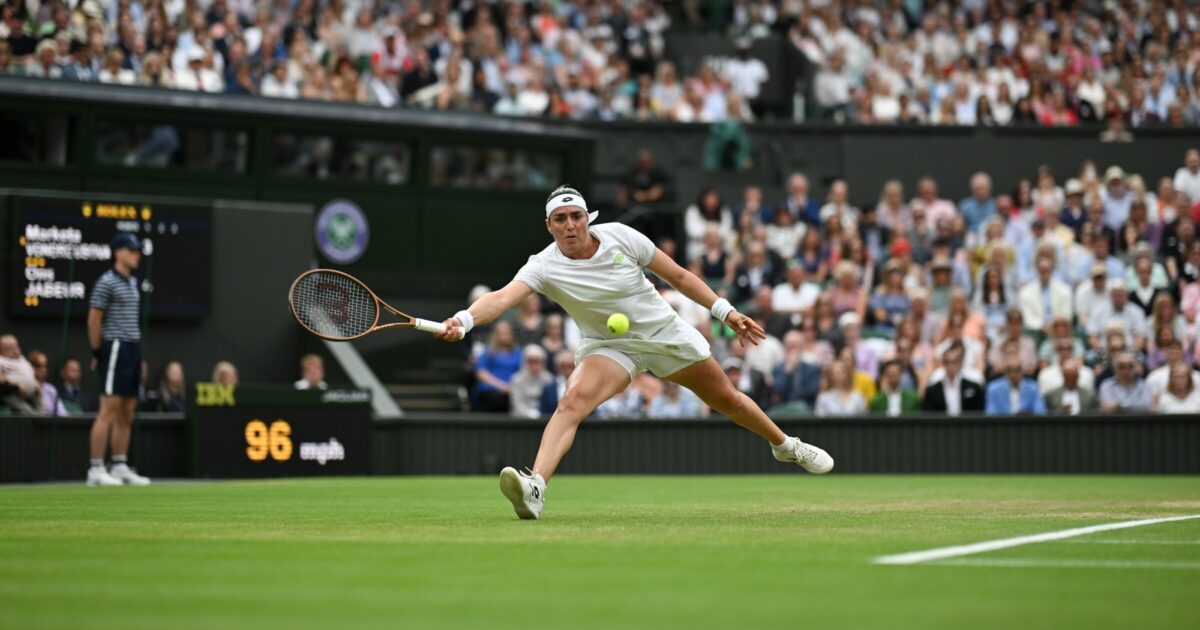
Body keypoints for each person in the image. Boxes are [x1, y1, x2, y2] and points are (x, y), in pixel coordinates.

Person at [435, 186, 834, 519]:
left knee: (727, 400)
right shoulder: (543, 265)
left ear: (587, 218)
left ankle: (785, 446)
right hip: (608, 347)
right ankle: (536, 486)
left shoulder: (623, 237)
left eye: (575, 215)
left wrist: (724, 310)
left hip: (664, 334)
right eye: (560, 219)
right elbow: (503, 298)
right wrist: (465, 320)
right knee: (572, 401)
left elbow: (677, 275)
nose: (570, 225)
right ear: (549, 226)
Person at [86, 233, 151, 486]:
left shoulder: (132, 282)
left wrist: (137, 355)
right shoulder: (106, 282)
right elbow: (94, 319)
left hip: (132, 348)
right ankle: (95, 469)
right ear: (118, 253)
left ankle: (120, 465)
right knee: (108, 411)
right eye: (132, 250)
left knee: (127, 412)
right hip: (114, 347)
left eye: (137, 251)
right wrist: (98, 352)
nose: (136, 255)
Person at [921, 342, 984, 416]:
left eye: (954, 362)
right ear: (943, 363)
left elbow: (978, 414)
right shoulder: (933, 390)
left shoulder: (973, 387)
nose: (951, 366)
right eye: (947, 362)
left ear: (960, 363)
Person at [474, 321, 522, 413]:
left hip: (514, 390)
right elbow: (481, 373)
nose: (504, 337)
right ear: (495, 335)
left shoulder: (518, 352)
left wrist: (513, 387)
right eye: (501, 334)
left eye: (507, 333)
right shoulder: (488, 352)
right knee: (496, 397)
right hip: (491, 390)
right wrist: (502, 387)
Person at [510, 345, 553, 419]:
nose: (534, 365)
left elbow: (550, 403)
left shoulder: (549, 379)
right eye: (531, 361)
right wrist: (529, 414)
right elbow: (517, 403)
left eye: (537, 361)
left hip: (544, 418)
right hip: (520, 420)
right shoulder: (516, 379)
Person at [0, 334, 40, 413]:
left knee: (44, 409)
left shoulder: (22, 359)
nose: (15, 350)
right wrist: (16, 385)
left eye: (16, 346)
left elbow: (29, 375)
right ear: (1, 350)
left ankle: (43, 418)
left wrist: (35, 383)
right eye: (9, 348)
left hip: (31, 393)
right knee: (27, 411)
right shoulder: (1, 361)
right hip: (10, 392)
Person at [27, 350, 67, 416]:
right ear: (30, 366)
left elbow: (62, 414)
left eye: (45, 366)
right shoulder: (24, 388)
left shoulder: (50, 389)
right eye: (39, 366)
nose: (43, 370)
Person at [539, 351, 574, 416]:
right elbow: (543, 411)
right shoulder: (548, 388)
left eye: (570, 366)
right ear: (557, 367)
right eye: (563, 366)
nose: (567, 369)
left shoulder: (583, 386)